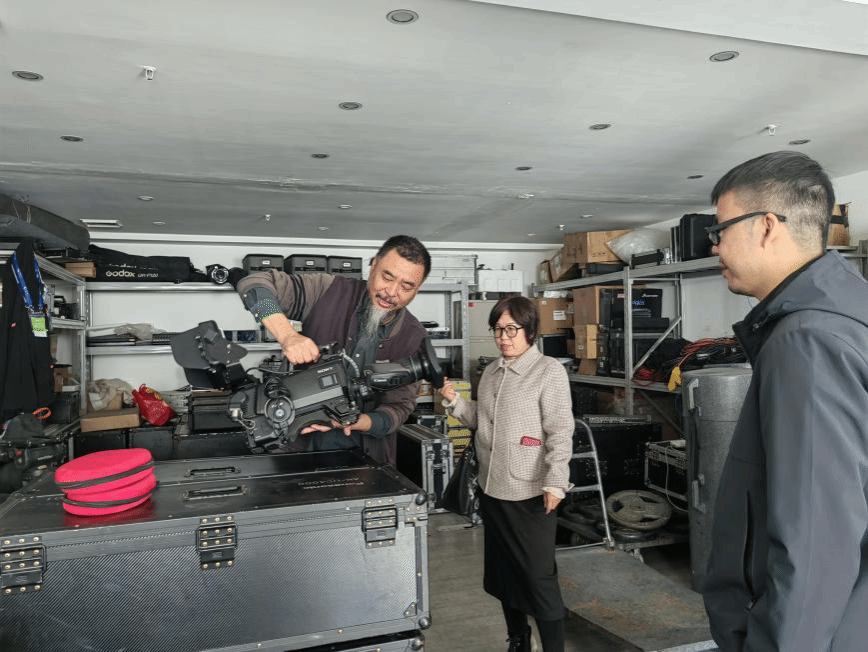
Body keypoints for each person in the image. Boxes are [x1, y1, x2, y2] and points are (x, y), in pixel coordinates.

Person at [701, 151, 868, 651]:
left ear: (767, 226)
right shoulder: (849, 309)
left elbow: (816, 542)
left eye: (720, 230)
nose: (714, 247)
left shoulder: (806, 341)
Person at [439, 296, 573, 652]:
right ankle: (518, 639)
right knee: (504, 574)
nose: (503, 337)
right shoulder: (491, 373)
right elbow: (482, 420)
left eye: (511, 329)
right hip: (493, 489)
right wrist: (455, 402)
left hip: (531, 492)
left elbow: (560, 430)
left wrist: (556, 481)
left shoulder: (548, 371)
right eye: (498, 329)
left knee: (538, 577)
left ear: (530, 330)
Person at [236, 235, 430, 465]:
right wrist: (287, 335)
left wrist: (358, 421)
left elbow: (399, 408)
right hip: (299, 449)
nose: (391, 291)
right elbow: (255, 283)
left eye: (406, 287)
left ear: (417, 290)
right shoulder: (327, 290)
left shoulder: (413, 336)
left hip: (367, 460)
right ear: (373, 264)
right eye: (387, 277)